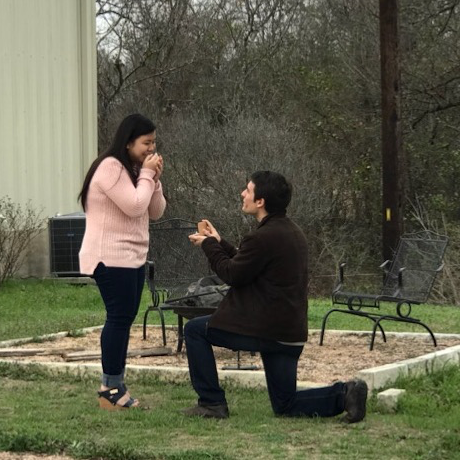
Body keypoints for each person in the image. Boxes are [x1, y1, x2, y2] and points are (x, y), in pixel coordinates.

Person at [184, 171, 368, 422]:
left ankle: (212, 403)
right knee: (285, 405)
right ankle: (346, 394)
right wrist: (219, 242)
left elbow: (233, 274)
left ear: (260, 201)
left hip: (266, 330)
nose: (243, 194)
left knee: (195, 331)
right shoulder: (291, 232)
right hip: (289, 334)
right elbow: (248, 261)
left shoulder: (263, 237)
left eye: (248, 190)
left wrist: (208, 245)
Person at [78, 113, 166, 410]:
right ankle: (110, 389)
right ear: (128, 142)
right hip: (110, 257)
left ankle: (115, 385)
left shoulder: (134, 169)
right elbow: (134, 206)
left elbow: (155, 211)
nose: (151, 149)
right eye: (146, 143)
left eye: (153, 143)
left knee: (123, 319)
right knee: (118, 319)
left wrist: (153, 178)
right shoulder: (110, 168)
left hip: (132, 257)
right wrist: (146, 175)